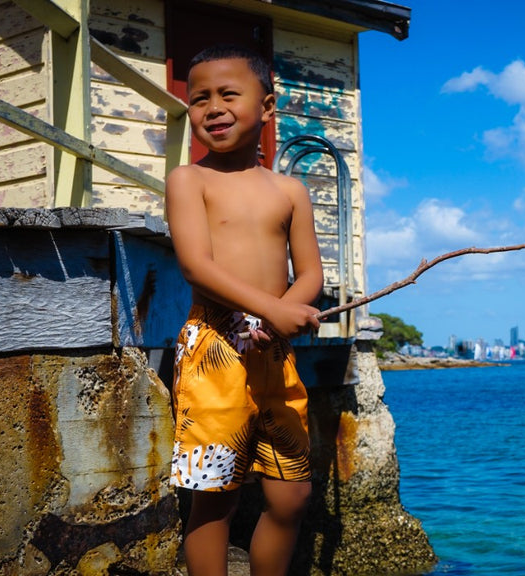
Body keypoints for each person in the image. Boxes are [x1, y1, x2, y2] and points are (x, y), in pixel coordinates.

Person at [165, 43, 323, 576]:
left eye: (229, 94)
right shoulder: (190, 180)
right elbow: (196, 266)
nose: (212, 107)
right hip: (214, 350)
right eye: (199, 98)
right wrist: (267, 311)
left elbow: (311, 275)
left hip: (273, 354)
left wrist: (285, 312)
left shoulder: (290, 190)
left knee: (292, 495)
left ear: (268, 106)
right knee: (216, 498)